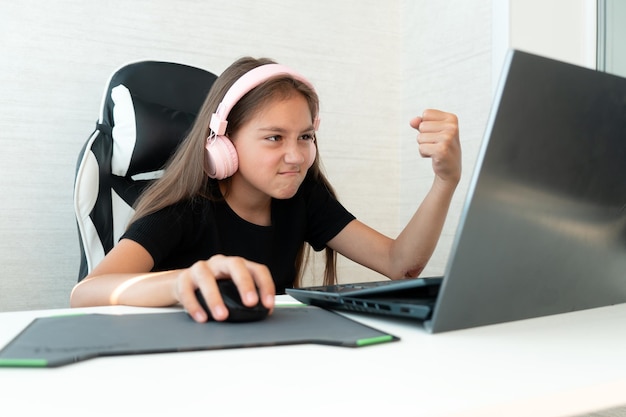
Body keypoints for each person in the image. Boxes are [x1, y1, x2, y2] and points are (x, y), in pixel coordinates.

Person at [70, 56, 462, 323]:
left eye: (305, 136)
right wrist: (180, 281)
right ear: (221, 143)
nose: (296, 156)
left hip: (264, 363)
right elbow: (86, 293)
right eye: (274, 137)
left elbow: (400, 264)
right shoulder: (184, 208)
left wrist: (445, 181)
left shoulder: (302, 197)